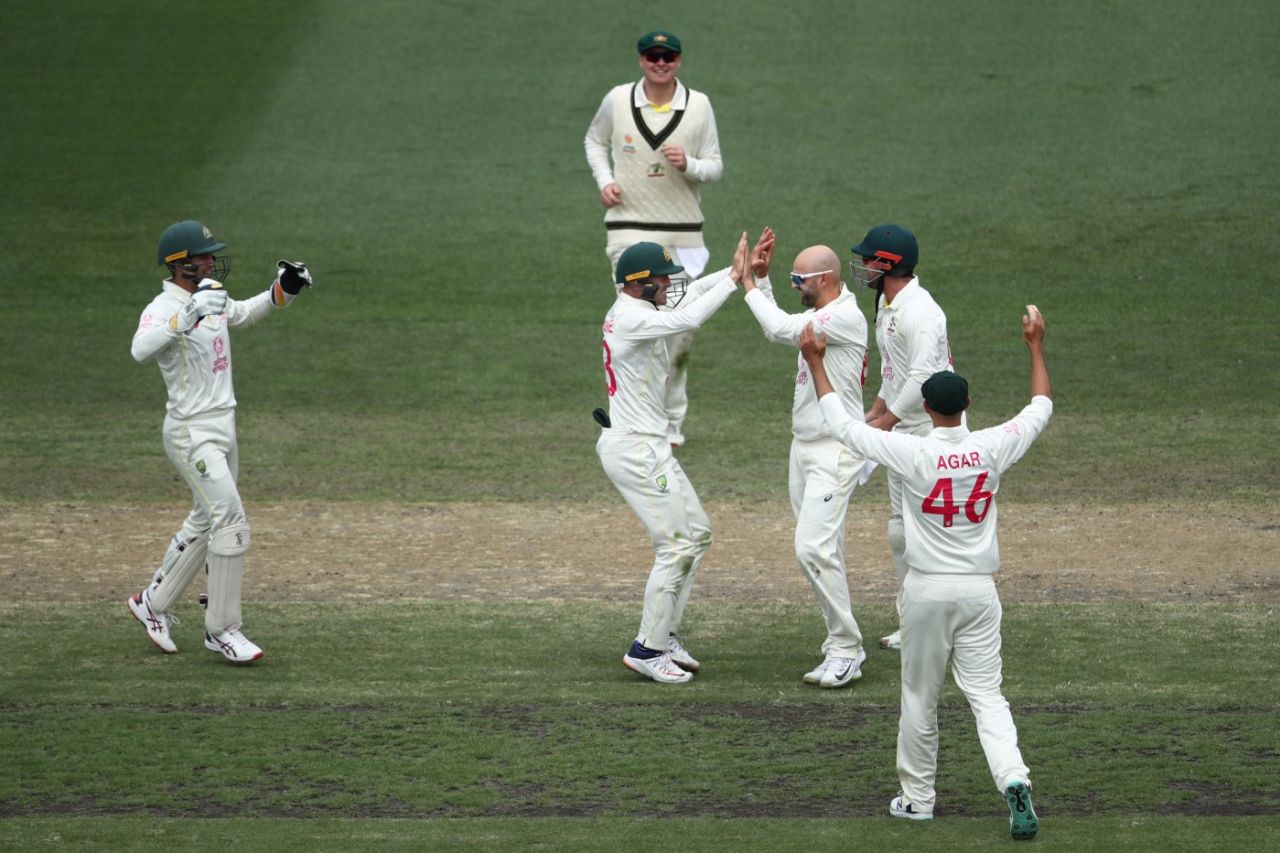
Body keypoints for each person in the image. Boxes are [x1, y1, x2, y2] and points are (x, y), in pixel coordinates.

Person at [798, 305, 1051, 840]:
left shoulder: (911, 452)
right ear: (967, 407)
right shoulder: (991, 447)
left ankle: (917, 800)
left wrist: (815, 360)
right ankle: (1014, 779)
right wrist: (1034, 345)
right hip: (981, 593)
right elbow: (1040, 406)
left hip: (927, 590)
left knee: (920, 696)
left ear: (928, 410)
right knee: (988, 695)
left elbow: (841, 424)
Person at [126, 220, 312, 664]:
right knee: (231, 520)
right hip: (191, 432)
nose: (212, 261)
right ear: (179, 263)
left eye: (212, 254)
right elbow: (140, 348)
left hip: (224, 425)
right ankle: (223, 630)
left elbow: (243, 314)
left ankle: (151, 603)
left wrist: (281, 289)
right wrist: (185, 316)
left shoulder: (210, 291)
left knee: (207, 520)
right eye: (204, 255)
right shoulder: (163, 306)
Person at [599, 233, 749, 684]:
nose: (671, 287)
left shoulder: (640, 307)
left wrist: (733, 273)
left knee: (697, 536)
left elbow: (692, 297)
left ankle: (663, 634)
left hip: (648, 445)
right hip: (635, 450)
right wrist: (735, 282)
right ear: (641, 284)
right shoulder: (631, 319)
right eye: (664, 281)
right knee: (676, 546)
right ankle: (646, 649)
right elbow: (691, 316)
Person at [738, 228, 871, 688]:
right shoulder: (824, 311)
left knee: (811, 547)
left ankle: (847, 649)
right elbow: (782, 325)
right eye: (792, 278)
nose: (797, 286)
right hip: (804, 447)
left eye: (800, 279)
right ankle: (840, 644)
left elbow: (778, 328)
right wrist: (765, 279)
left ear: (827, 279)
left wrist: (749, 286)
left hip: (835, 450)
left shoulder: (843, 317)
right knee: (822, 549)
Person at [584, 29, 724, 449]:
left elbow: (716, 166)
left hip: (683, 233)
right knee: (637, 325)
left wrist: (692, 165)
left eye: (668, 56)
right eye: (652, 55)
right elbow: (594, 140)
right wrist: (605, 179)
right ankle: (631, 419)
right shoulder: (617, 99)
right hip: (628, 227)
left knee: (678, 334)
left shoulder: (698, 106)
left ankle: (671, 423)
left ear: (679, 61)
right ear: (641, 59)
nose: (660, 62)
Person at [850, 224, 959, 651]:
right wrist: (877, 410)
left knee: (926, 531)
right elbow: (893, 369)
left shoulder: (921, 312)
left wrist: (889, 420)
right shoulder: (888, 303)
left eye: (869, 260)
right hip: (904, 429)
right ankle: (913, 622)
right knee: (900, 530)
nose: (862, 267)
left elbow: (923, 375)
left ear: (889, 265)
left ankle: (943, 621)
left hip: (932, 432)